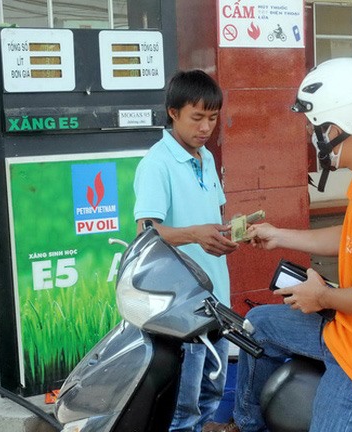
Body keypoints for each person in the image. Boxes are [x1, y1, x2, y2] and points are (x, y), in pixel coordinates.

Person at [203, 58, 352, 432]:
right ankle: (247, 425)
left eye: (316, 129)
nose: (314, 139)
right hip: (350, 331)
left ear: (338, 128)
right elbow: (349, 238)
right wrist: (279, 235)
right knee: (257, 325)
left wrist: (321, 297)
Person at [133, 69, 239, 432]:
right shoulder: (156, 164)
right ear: (173, 113)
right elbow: (146, 231)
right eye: (197, 117)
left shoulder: (206, 157)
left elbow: (211, 216)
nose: (206, 127)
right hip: (182, 308)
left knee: (211, 393)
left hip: (216, 299)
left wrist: (232, 233)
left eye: (213, 118)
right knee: (184, 408)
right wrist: (195, 234)